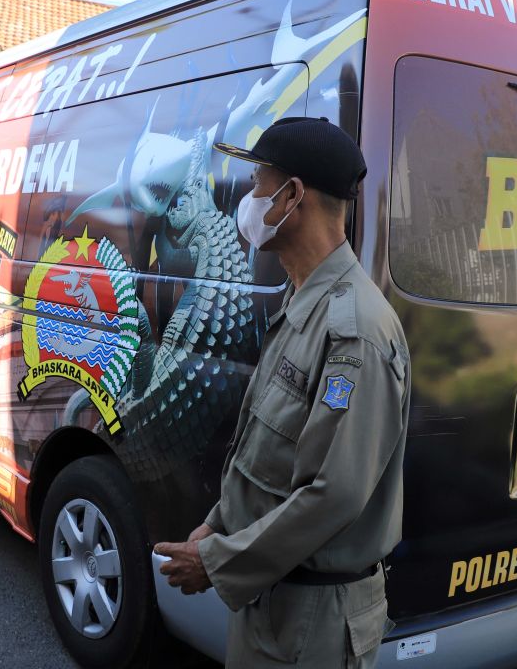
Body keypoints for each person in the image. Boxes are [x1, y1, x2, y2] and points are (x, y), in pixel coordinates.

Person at [154, 117, 411, 669]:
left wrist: (218, 561)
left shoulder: (354, 328)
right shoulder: (305, 302)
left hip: (313, 623)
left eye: (257, 185)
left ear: (293, 196)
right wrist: (220, 523)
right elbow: (267, 455)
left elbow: (333, 495)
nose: (249, 199)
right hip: (275, 601)